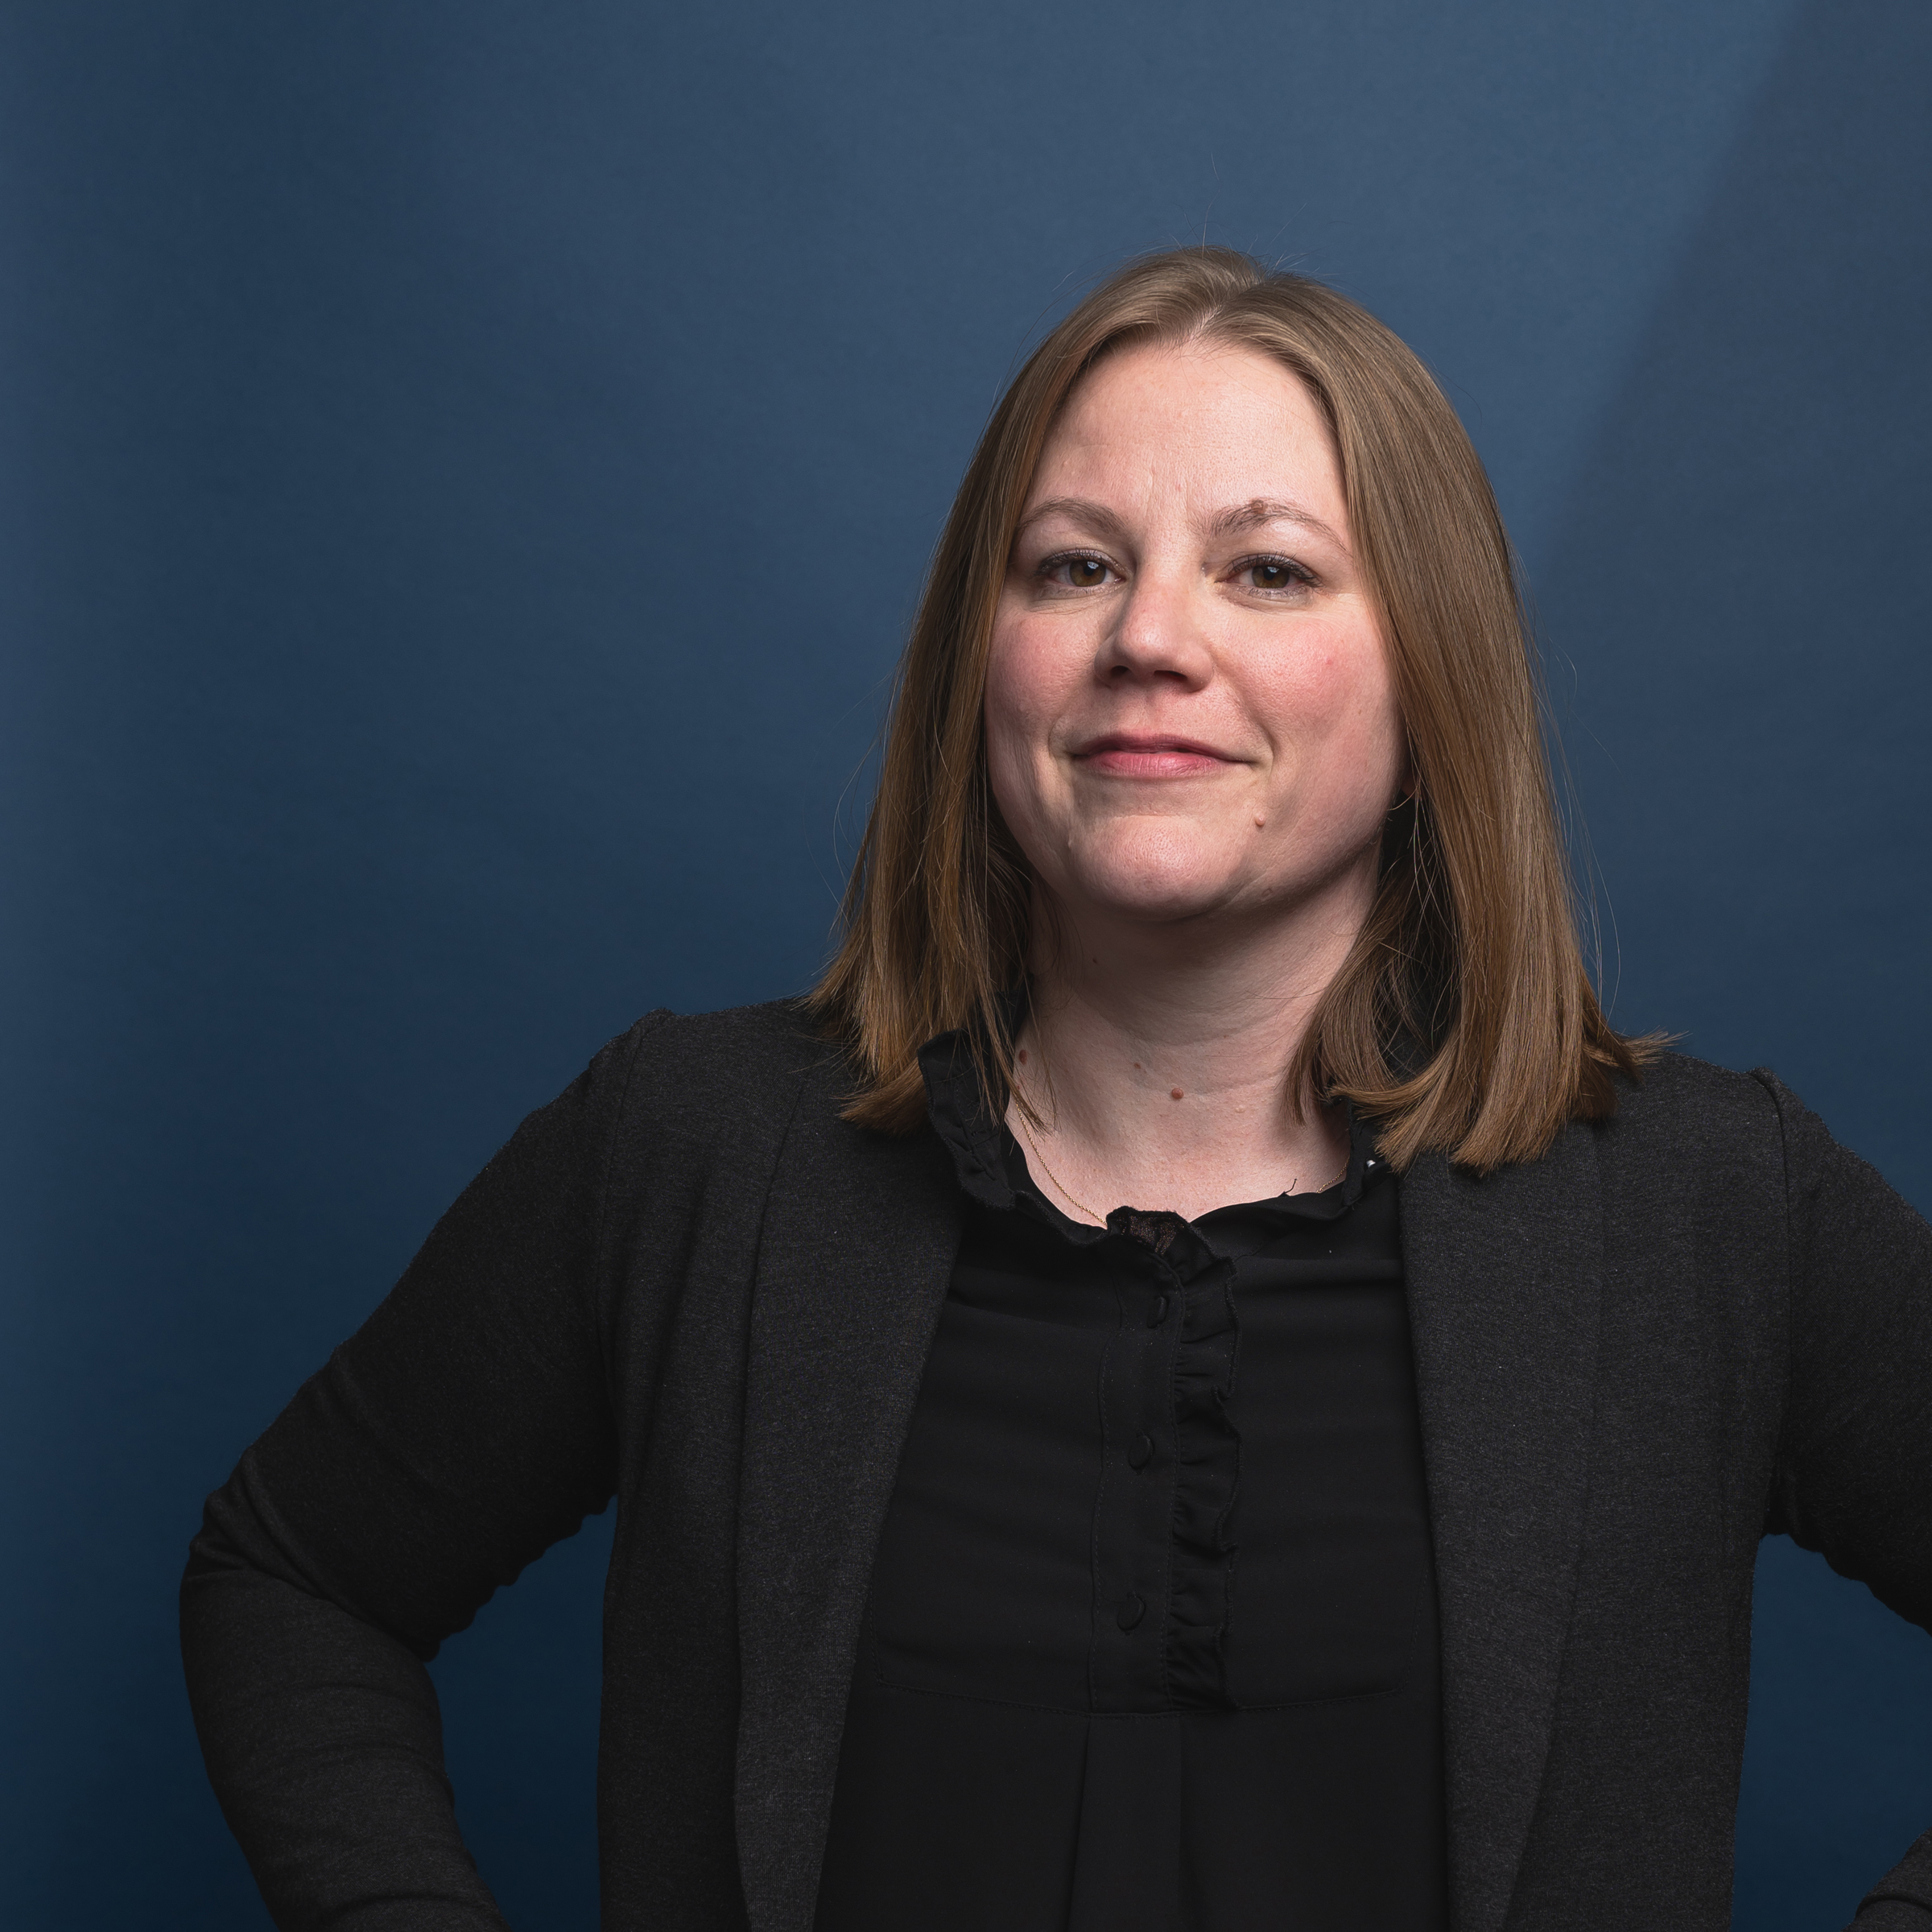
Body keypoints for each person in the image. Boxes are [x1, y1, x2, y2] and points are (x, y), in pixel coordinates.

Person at [181, 247, 1932, 1932]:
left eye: (1268, 571)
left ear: (1434, 673)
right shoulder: (690, 1153)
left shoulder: (1708, 1212)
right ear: (983, 658)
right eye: (1075, 565)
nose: (1149, 637)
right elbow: (294, 1581)